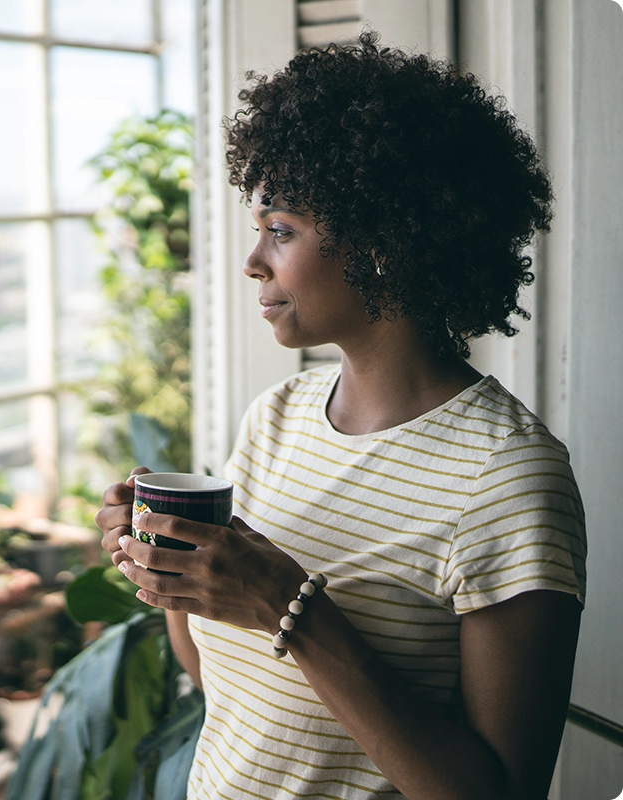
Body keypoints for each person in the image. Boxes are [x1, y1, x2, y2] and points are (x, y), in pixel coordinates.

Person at [95, 31, 587, 800]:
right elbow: (227, 689)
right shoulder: (277, 418)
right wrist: (170, 573)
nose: (254, 260)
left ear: (383, 240)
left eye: (281, 230)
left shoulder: (508, 479)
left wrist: (291, 609)